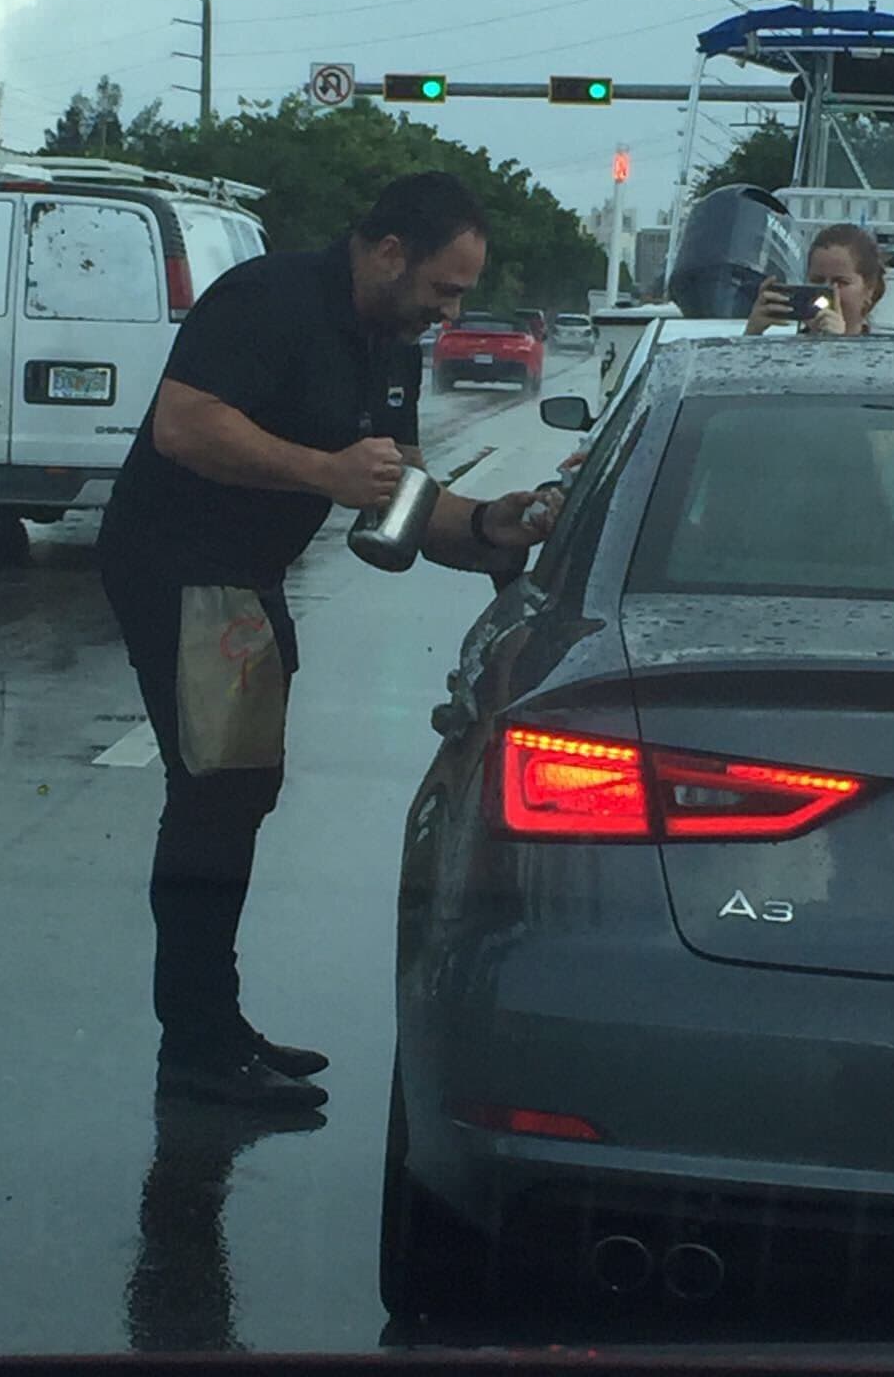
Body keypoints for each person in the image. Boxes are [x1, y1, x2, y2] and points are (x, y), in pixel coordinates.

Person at [98, 172, 556, 1111]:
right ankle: (194, 1044)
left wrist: (488, 528)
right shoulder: (266, 299)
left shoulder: (387, 346)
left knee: (241, 796)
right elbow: (184, 427)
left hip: (245, 581)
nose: (450, 310)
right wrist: (323, 470)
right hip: (180, 566)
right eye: (445, 287)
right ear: (389, 252)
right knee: (216, 800)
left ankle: (214, 1027)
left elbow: (401, 493)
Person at [744, 222, 887, 337]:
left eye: (841, 282)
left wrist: (838, 345)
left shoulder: (883, 355)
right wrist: (752, 335)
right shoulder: (784, 350)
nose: (826, 291)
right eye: (817, 281)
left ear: (870, 290)